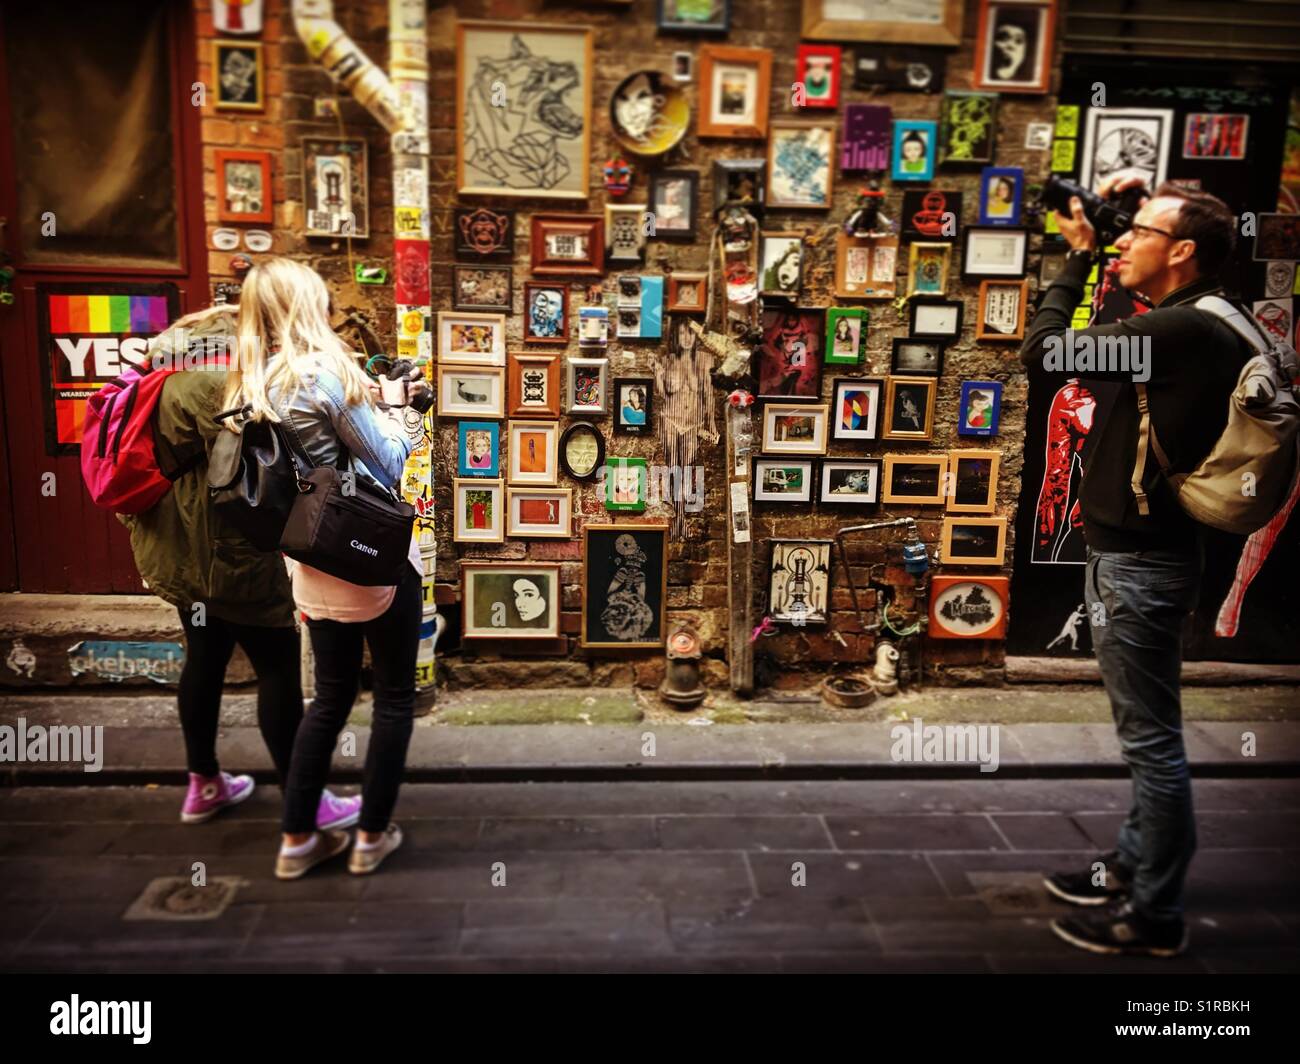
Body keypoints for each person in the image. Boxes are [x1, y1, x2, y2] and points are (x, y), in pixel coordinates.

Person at [1020, 179, 1252, 957]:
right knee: (1147, 733)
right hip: (1140, 556)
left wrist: (1077, 257)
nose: (1123, 242)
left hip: (1142, 565)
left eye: (1140, 233)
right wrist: (1112, 238)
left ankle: (1154, 914)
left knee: (1152, 742)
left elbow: (1045, 354)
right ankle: (1128, 863)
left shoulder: (1186, 331)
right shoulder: (1203, 325)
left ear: (1182, 251)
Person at [221, 257, 427, 879]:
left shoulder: (245, 383)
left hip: (307, 559)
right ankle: (370, 836)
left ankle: (296, 841)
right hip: (370, 554)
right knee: (394, 698)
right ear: (305, 307)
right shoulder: (324, 373)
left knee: (329, 697)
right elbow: (389, 462)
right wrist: (399, 408)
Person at [120, 305, 360, 831]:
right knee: (276, 669)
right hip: (234, 555)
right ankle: (308, 801)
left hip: (180, 555)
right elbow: (283, 459)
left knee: (204, 657)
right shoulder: (231, 385)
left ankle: (204, 783)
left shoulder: (161, 378)